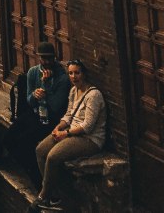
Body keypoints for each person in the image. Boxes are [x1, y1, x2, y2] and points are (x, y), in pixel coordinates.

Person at [31, 60, 107, 211]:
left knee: (53, 157)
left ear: (84, 74)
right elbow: (69, 115)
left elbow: (88, 126)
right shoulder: (73, 91)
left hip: (89, 139)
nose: (74, 76)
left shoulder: (94, 95)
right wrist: (58, 127)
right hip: (71, 132)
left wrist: (65, 134)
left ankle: (44, 195)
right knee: (40, 150)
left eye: (77, 72)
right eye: (70, 73)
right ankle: (55, 196)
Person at [9, 43, 70, 184]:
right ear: (39, 58)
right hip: (35, 113)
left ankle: (39, 182)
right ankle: (31, 170)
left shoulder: (62, 78)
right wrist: (34, 96)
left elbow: (55, 106)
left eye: (50, 58)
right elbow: (29, 101)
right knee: (9, 138)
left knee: (25, 142)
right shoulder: (33, 72)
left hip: (52, 119)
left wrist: (45, 85)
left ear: (54, 58)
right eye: (44, 59)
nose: (47, 62)